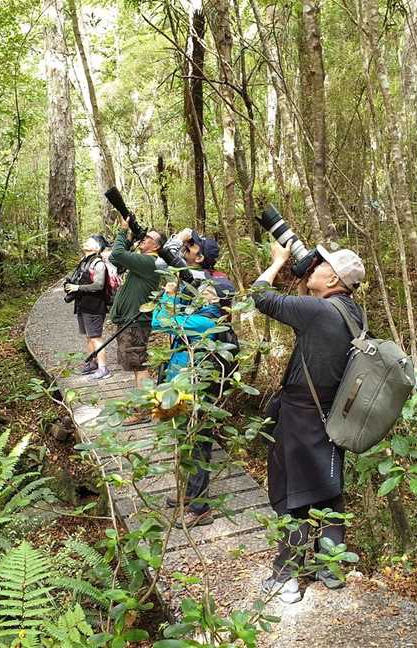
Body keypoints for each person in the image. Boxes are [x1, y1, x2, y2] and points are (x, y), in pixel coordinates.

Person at [252, 240, 366, 604]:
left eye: (320, 265)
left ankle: (286, 578)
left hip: (302, 415)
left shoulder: (318, 313)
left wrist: (278, 261)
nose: (312, 266)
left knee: (295, 497)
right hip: (333, 415)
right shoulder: (351, 313)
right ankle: (331, 568)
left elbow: (260, 295)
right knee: (328, 488)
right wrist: (304, 279)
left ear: (332, 276)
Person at [151, 277, 236, 529]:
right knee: (185, 443)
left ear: (216, 300)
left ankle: (200, 508)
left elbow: (159, 321)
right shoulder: (203, 317)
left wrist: (169, 294)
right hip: (183, 391)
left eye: (207, 291)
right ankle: (189, 495)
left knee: (197, 447)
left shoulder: (204, 323)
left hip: (196, 394)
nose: (200, 292)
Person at [108, 214, 164, 424]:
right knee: (136, 365)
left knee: (140, 366)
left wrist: (123, 231)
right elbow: (115, 258)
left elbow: (117, 252)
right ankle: (145, 407)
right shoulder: (142, 261)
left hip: (135, 323)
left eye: (149, 238)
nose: (144, 238)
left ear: (156, 247)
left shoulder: (149, 262)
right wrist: (131, 239)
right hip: (131, 322)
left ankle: (144, 411)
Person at [65, 237, 110, 379]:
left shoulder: (98, 264)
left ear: (97, 248)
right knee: (89, 337)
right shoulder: (85, 261)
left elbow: (99, 285)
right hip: (83, 305)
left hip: (95, 307)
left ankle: (103, 369)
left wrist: (77, 287)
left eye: (90, 241)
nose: (86, 242)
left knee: (96, 337)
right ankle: (92, 363)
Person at [160, 228, 224, 281]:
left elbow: (161, 263)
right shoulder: (188, 268)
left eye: (191, 244)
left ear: (199, 258)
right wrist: (177, 237)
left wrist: (179, 240)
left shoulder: (196, 276)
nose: (186, 244)